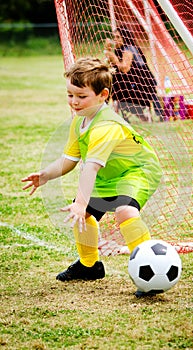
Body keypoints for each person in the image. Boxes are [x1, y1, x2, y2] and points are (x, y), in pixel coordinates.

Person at [21, 57, 162, 297]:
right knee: (84, 215)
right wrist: (46, 175)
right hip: (109, 176)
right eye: (70, 95)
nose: (74, 102)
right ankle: (89, 266)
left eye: (81, 96)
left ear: (103, 95)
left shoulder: (105, 126)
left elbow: (90, 169)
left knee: (125, 211)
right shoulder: (79, 122)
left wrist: (80, 201)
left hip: (137, 171)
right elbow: (70, 160)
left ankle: (151, 273)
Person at [104, 26, 165, 122]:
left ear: (125, 38)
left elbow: (124, 68)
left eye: (118, 37)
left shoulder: (129, 50)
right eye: (114, 37)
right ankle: (106, 110)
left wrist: (114, 59)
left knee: (113, 84)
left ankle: (104, 111)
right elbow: (111, 65)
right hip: (131, 86)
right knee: (112, 81)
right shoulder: (119, 50)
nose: (115, 40)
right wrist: (108, 49)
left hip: (141, 87)